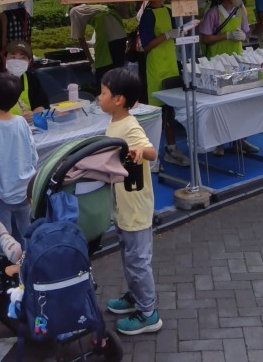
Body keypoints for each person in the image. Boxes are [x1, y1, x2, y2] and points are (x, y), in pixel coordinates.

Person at [100, 67, 162, 336]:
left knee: (137, 261)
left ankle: (148, 313)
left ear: (119, 99)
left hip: (135, 207)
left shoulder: (129, 125)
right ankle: (135, 296)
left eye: (103, 93)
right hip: (123, 206)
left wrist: (139, 150)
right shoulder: (116, 122)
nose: (98, 97)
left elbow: (152, 152)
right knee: (129, 256)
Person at [0, 74, 38, 255]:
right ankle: (31, 258)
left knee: (3, 233)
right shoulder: (21, 122)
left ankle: (4, 264)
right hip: (25, 188)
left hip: (2, 192)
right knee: (26, 228)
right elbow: (33, 153)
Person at [198, 0, 258, 155]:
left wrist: (244, 36)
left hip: (237, 61)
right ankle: (218, 143)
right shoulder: (213, 13)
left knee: (239, 102)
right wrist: (227, 35)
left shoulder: (240, 11)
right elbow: (206, 38)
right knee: (219, 105)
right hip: (217, 62)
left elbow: (246, 32)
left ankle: (240, 139)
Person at [138, 1, 189, 166]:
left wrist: (179, 33)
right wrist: (166, 35)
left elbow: (175, 35)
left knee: (170, 109)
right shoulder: (147, 15)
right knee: (157, 111)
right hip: (156, 66)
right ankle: (151, 154)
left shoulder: (168, 10)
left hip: (171, 63)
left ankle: (171, 148)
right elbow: (146, 45)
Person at [69, 3, 128, 88]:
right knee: (117, 73)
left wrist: (92, 63)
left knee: (103, 74)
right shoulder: (93, 5)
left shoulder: (74, 11)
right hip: (120, 35)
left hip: (110, 38)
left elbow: (80, 39)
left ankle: (104, 93)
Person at [4, 40, 49, 122]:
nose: (17, 62)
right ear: (6, 58)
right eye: (13, 57)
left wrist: (34, 114)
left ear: (29, 61)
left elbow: (43, 104)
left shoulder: (31, 78)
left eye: (23, 58)